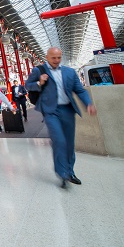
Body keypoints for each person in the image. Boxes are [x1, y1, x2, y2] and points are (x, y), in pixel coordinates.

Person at [25, 47, 96, 188]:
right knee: (59, 140)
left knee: (69, 143)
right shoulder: (38, 71)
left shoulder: (69, 72)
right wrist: (39, 82)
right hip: (51, 111)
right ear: (47, 57)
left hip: (67, 110)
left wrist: (88, 103)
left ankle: (70, 172)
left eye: (59, 58)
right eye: (53, 58)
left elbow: (79, 90)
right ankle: (62, 172)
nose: (56, 61)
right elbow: (28, 86)